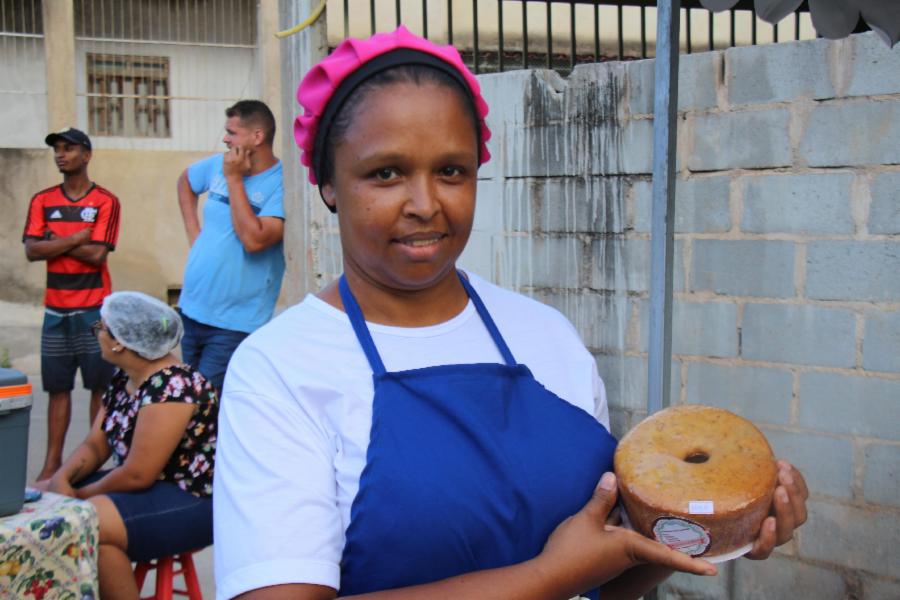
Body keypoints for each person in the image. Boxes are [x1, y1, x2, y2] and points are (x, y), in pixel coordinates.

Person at [213, 27, 809, 600]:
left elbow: (599, 576)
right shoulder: (280, 369)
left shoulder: (544, 335)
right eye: (386, 172)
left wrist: (710, 539)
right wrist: (549, 577)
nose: (425, 204)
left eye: (451, 170)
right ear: (330, 185)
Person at [38, 291, 217, 600]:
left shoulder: (173, 387)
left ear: (119, 341)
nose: (97, 334)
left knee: (80, 518)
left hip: (192, 497)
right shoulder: (126, 378)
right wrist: (61, 479)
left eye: (101, 328)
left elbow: (138, 474)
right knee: (36, 498)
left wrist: (78, 495)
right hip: (148, 488)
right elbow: (96, 444)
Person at [23, 127, 121, 482]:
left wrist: (57, 239)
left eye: (69, 148)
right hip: (55, 310)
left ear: (87, 155)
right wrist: (79, 236)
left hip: (94, 310)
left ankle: (89, 463)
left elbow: (97, 255)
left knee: (99, 388)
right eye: (57, 150)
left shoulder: (106, 201)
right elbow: (32, 250)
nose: (60, 155)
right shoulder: (42, 200)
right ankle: (52, 465)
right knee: (57, 390)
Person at [176, 99, 286, 395]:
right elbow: (185, 181)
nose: (225, 139)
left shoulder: (281, 182)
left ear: (257, 137)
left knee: (204, 408)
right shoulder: (217, 164)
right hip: (192, 309)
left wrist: (234, 178)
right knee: (188, 404)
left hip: (233, 325)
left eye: (232, 133)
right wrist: (193, 233)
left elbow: (254, 240)